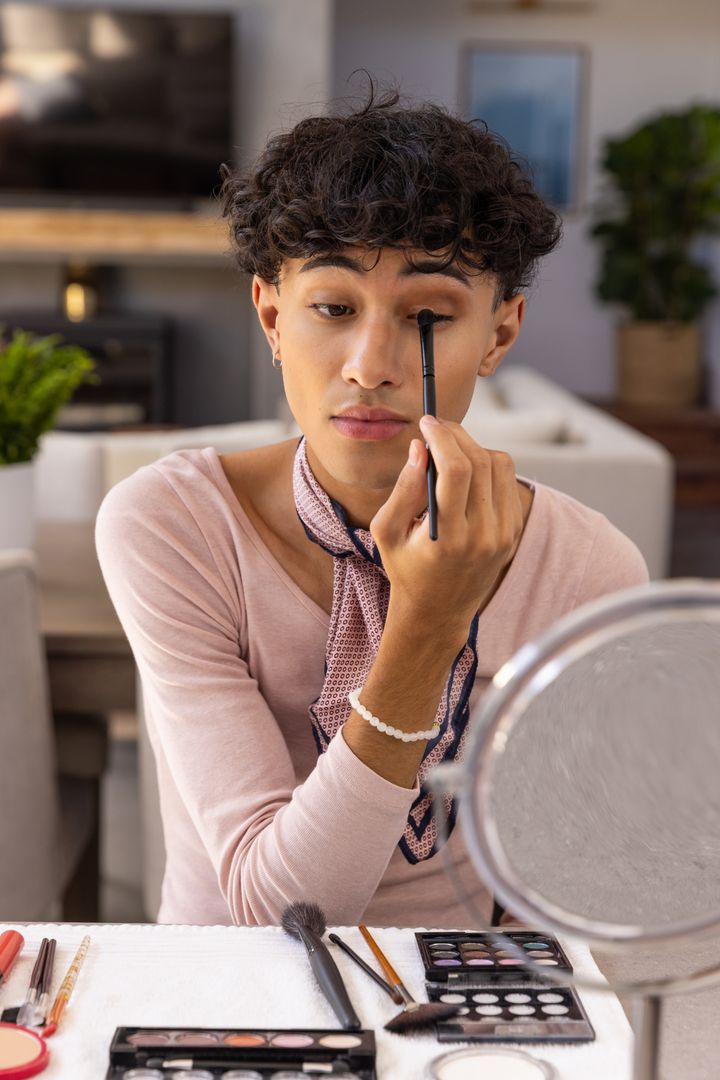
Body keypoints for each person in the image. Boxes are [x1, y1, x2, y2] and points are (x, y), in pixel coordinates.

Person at [95, 89, 648, 928]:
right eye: (333, 308)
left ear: (499, 335)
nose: (370, 364)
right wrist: (427, 626)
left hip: (461, 1004)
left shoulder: (587, 569)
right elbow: (276, 912)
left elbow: (551, 904)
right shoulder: (172, 526)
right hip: (227, 998)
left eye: (427, 314)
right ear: (272, 316)